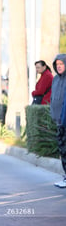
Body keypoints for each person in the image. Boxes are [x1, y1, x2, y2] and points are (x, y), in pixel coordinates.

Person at [51, 54, 66, 188]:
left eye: (61, 64)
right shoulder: (55, 79)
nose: (59, 66)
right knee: (62, 149)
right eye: (57, 64)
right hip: (58, 121)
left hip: (65, 119)